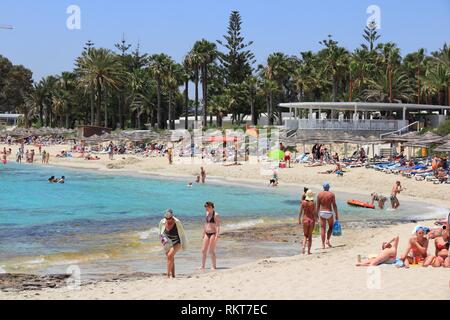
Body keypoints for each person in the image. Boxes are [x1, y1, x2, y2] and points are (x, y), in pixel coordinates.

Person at [158, 209, 187, 278]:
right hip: (168, 242)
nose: (168, 220)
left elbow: (182, 233)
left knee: (169, 255)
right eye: (167, 218)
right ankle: (173, 275)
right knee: (171, 258)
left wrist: (184, 244)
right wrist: (162, 240)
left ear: (172, 216)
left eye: (170, 218)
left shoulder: (177, 222)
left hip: (177, 242)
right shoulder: (162, 222)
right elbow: (160, 232)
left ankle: (168, 275)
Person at [316, 182, 339, 249]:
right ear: (328, 187)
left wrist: (316, 215)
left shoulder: (319, 195)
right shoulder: (331, 194)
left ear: (323, 187)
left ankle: (323, 245)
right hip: (329, 212)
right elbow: (334, 205)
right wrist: (336, 214)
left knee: (323, 228)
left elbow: (317, 205)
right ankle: (328, 240)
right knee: (331, 227)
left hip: (322, 212)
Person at [201, 202, 221, 270]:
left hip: (213, 233)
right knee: (203, 250)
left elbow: (218, 225)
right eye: (205, 207)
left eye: (207, 207)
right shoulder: (206, 213)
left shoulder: (216, 215)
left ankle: (213, 266)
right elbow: (206, 224)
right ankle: (203, 266)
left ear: (211, 207)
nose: (206, 208)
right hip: (207, 233)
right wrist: (203, 233)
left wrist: (217, 235)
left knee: (211, 250)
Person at [299, 190, 318, 255]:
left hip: (305, 219)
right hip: (311, 220)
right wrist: (317, 219)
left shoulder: (303, 202)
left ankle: (303, 247)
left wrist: (299, 219)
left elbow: (301, 212)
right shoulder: (313, 203)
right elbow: (315, 213)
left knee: (305, 235)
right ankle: (309, 251)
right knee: (310, 236)